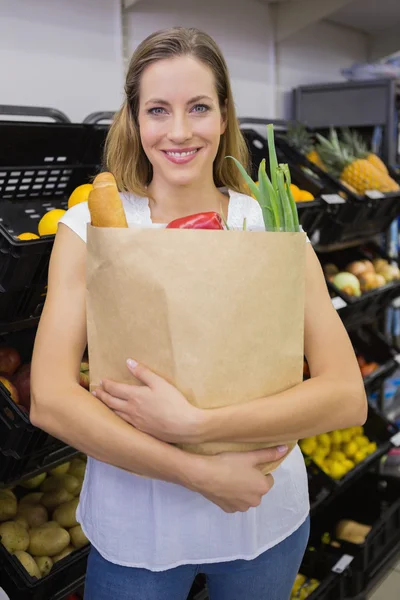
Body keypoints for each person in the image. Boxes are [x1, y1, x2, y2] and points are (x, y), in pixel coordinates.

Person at [30, 27, 367, 600]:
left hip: (265, 521)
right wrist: (199, 470)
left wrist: (196, 426)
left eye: (199, 108)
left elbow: (345, 396)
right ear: (134, 118)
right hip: (141, 537)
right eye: (158, 110)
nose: (179, 131)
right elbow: (49, 400)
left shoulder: (270, 226)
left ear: (224, 114)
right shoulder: (90, 229)